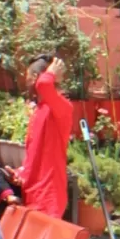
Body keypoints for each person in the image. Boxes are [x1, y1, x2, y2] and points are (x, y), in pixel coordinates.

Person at [18, 55, 73, 217]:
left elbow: (44, 85)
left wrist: (51, 73)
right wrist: (20, 173)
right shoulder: (40, 110)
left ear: (36, 77)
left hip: (48, 198)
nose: (26, 81)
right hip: (33, 194)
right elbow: (34, 154)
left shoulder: (62, 107)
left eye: (29, 76)